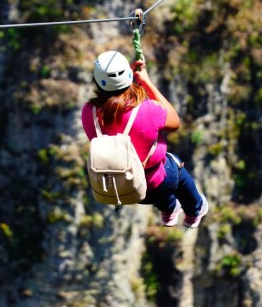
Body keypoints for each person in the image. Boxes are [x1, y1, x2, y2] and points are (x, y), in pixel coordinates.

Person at [81, 50, 209, 228]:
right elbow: (174, 122)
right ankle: (195, 210)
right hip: (156, 181)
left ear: (97, 80)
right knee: (174, 166)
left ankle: (170, 209)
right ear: (128, 76)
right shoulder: (147, 109)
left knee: (157, 187)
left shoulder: (90, 112)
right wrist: (146, 82)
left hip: (126, 188)